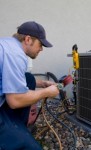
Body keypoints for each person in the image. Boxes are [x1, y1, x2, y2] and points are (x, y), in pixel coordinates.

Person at [0, 21, 60, 150]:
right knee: (30, 147)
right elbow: (15, 101)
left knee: (29, 78)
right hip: (10, 103)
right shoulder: (15, 55)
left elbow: (13, 78)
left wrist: (43, 84)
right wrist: (47, 93)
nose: (41, 49)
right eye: (40, 44)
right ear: (28, 39)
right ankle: (15, 138)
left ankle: (17, 127)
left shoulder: (7, 45)